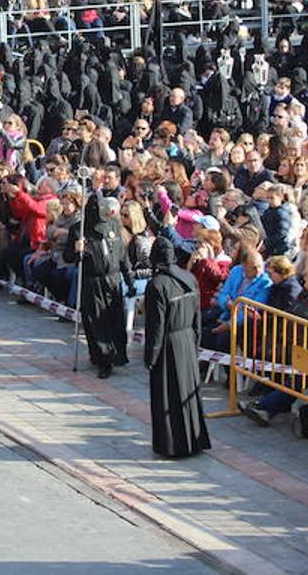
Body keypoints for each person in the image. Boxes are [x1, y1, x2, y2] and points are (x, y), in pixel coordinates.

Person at [142, 237, 210, 459]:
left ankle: (172, 444)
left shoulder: (157, 285)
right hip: (187, 340)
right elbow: (196, 315)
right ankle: (194, 440)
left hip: (169, 346)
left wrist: (151, 356)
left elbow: (156, 326)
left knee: (168, 395)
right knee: (188, 394)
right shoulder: (189, 278)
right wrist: (195, 342)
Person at [70, 196, 129, 378]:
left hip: (112, 280)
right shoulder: (78, 230)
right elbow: (68, 258)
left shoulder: (113, 226)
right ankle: (103, 359)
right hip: (92, 281)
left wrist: (129, 277)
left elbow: (121, 253)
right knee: (96, 321)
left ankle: (118, 354)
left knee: (116, 318)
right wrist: (76, 250)